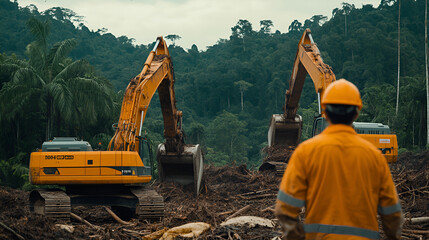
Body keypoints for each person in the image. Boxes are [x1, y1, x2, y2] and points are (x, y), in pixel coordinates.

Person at [275, 79, 403, 240]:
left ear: (326, 113)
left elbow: (284, 209)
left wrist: (297, 236)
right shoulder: (374, 157)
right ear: (356, 113)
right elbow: (392, 213)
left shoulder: (306, 152)